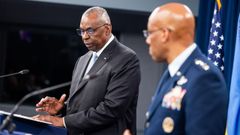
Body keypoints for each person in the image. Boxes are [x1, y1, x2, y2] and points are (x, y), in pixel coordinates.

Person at [33, 6, 141, 135]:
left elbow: (111, 109)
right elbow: (85, 103)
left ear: (107, 29)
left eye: (90, 30)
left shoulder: (126, 58)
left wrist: (63, 121)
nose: (84, 37)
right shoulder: (82, 60)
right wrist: (63, 108)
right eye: (82, 31)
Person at [125, 2, 228, 135]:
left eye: (149, 33)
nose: (148, 40)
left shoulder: (204, 78)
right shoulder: (172, 73)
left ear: (164, 34)